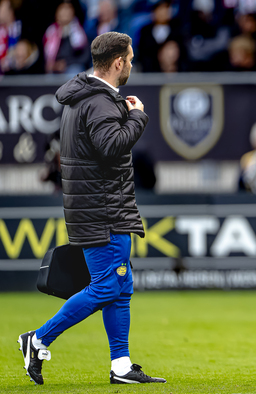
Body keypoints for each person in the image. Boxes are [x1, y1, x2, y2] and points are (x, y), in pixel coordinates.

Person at [17, 31, 166, 386]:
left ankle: (121, 366)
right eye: (129, 59)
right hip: (104, 211)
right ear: (118, 62)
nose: (130, 64)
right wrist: (138, 117)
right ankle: (37, 340)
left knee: (121, 285)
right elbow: (111, 146)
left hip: (96, 207)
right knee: (105, 287)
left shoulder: (82, 96)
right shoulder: (99, 102)